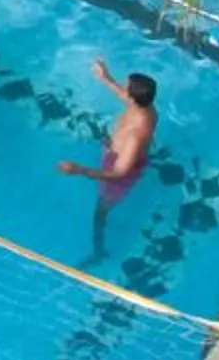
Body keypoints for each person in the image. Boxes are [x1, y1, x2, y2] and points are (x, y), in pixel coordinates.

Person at [56, 59, 157, 262]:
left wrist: (79, 169)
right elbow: (125, 96)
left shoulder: (136, 135)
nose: (122, 86)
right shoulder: (145, 107)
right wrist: (105, 78)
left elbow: (119, 173)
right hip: (118, 152)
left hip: (119, 171)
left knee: (99, 213)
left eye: (124, 85)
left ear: (132, 97)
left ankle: (98, 252)